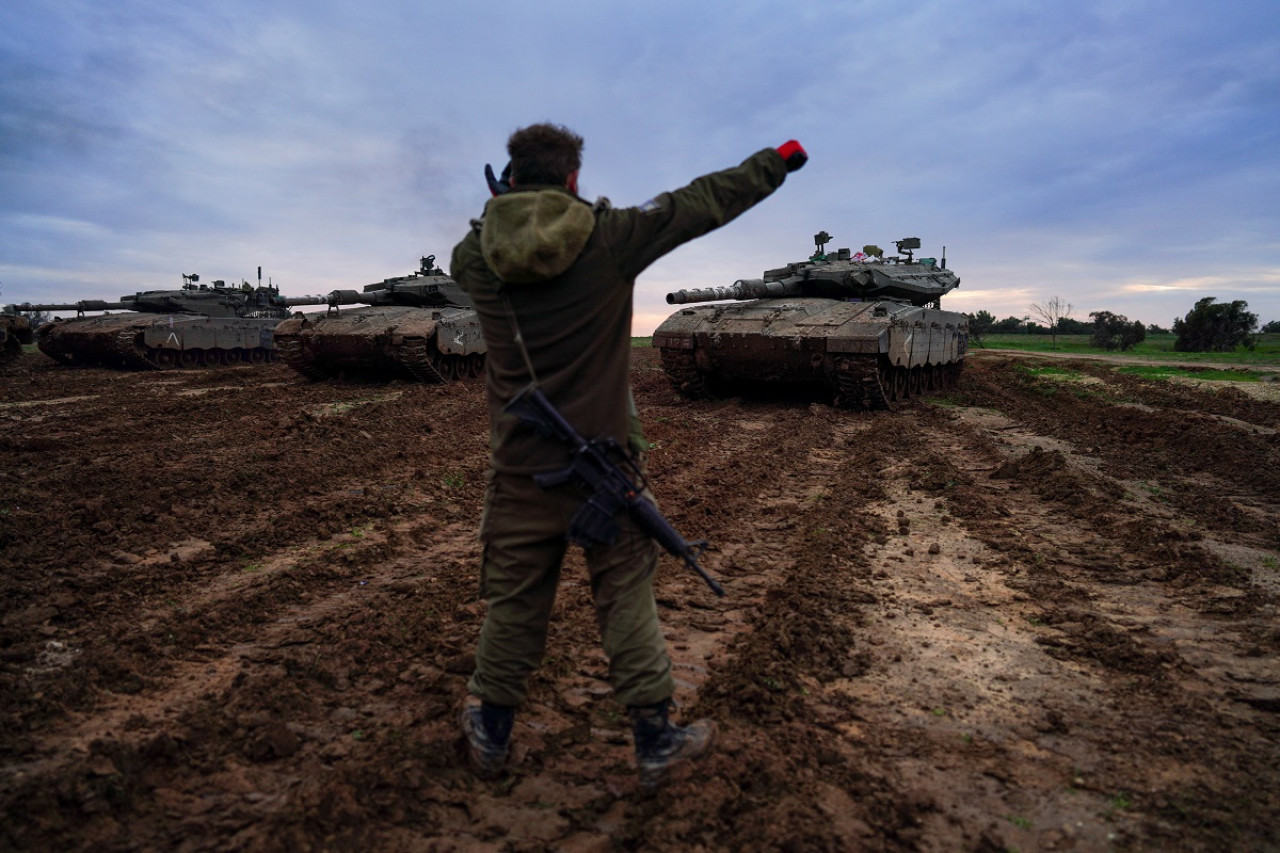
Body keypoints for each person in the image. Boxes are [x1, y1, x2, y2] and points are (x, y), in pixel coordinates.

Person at [450, 123, 806, 789]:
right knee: (625, 601)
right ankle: (654, 737)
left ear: (509, 179)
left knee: (515, 606)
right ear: (574, 180)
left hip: (521, 469)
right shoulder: (609, 238)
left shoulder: (477, 257)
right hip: (604, 471)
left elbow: (476, 246)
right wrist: (776, 163)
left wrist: (499, 210)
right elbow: (701, 200)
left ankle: (491, 731)